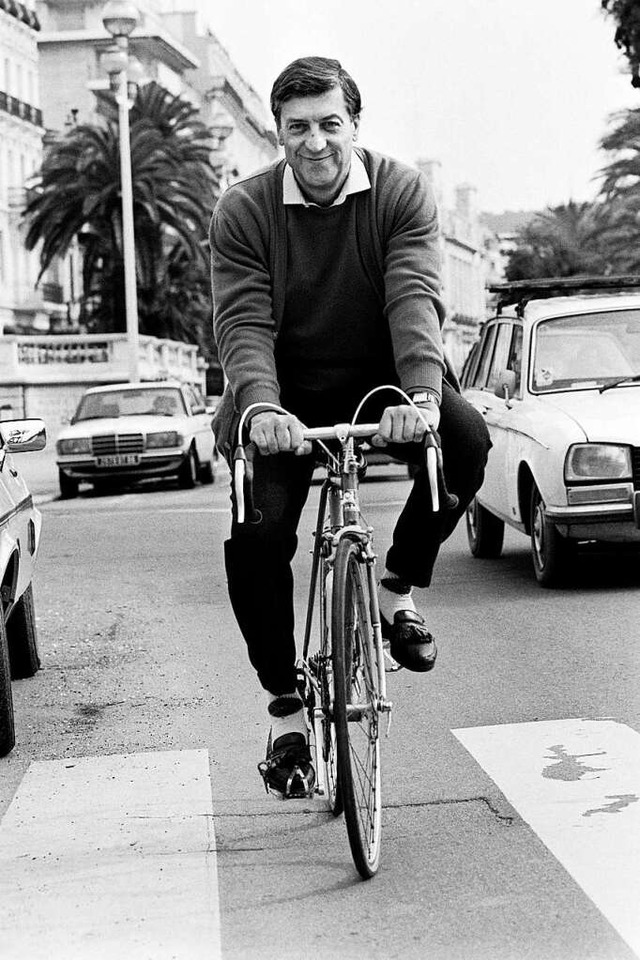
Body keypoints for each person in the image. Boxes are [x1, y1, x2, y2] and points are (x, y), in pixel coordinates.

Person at [209, 56, 491, 798]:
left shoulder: (397, 190)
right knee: (258, 533)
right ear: (277, 132)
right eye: (296, 127)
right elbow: (242, 322)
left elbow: (414, 297)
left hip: (386, 377)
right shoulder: (243, 211)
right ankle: (285, 710)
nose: (315, 142)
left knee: (463, 443)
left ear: (354, 125)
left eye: (330, 124)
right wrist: (263, 408)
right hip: (281, 395)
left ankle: (397, 589)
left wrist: (423, 397)